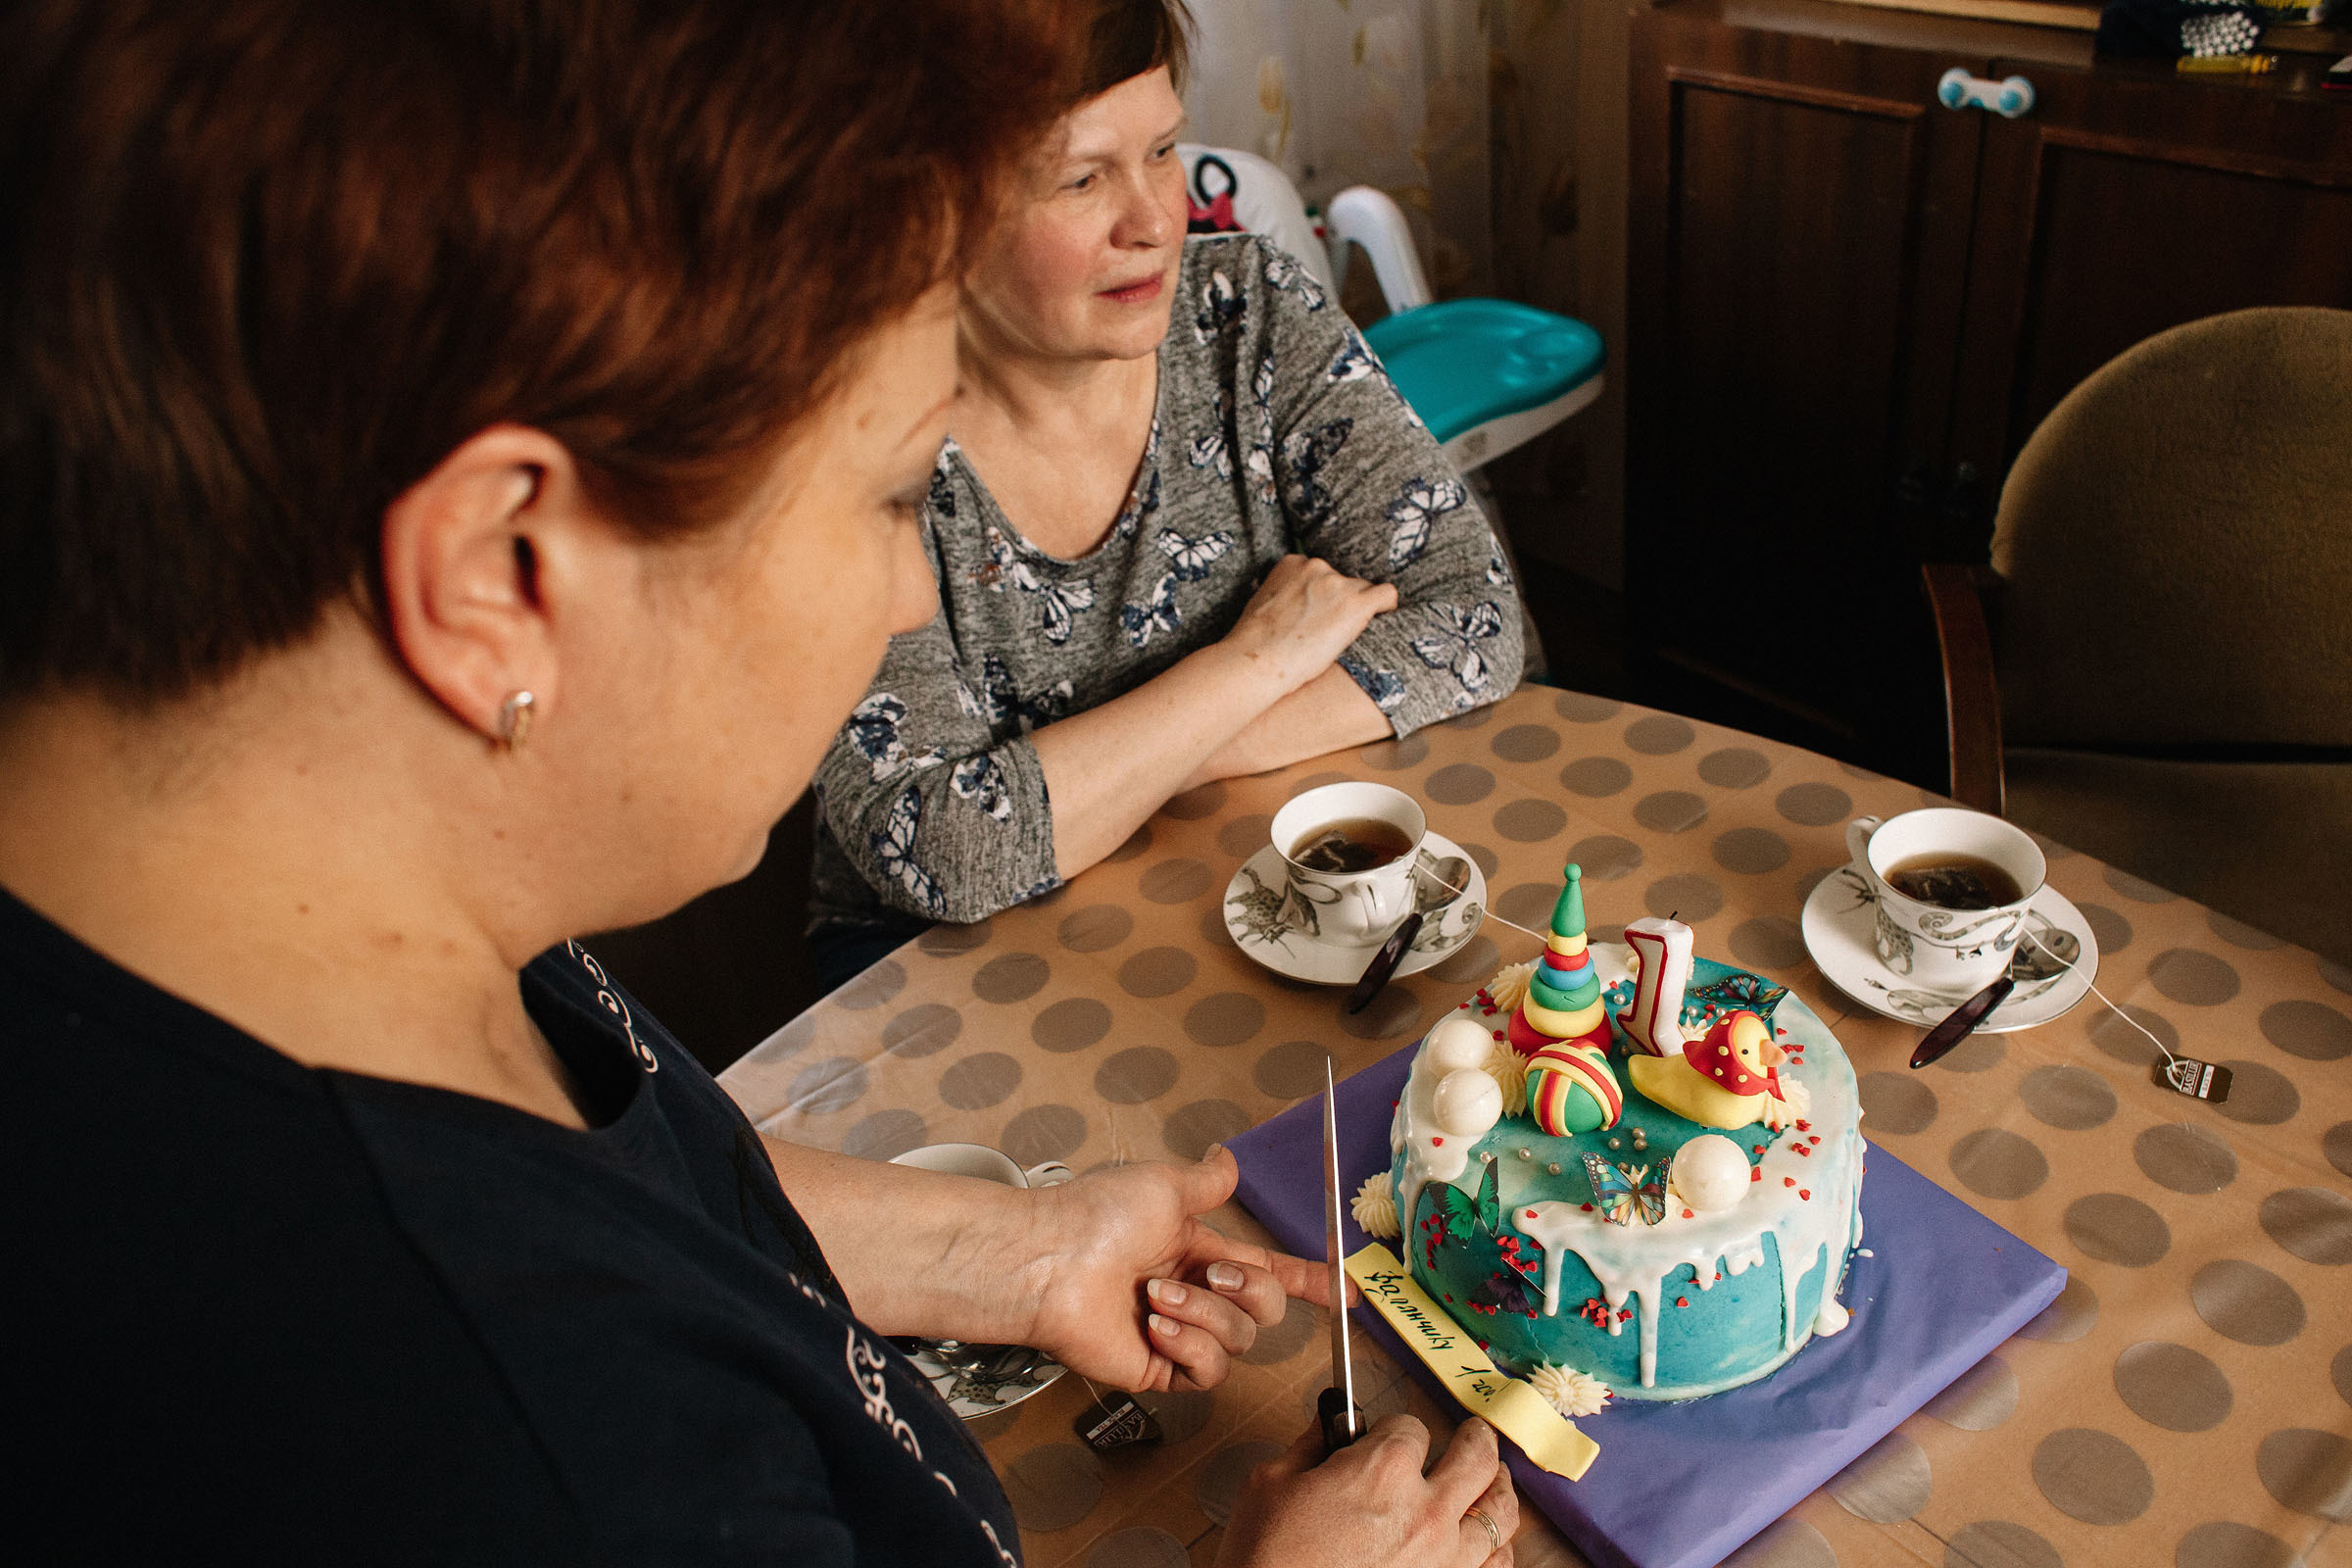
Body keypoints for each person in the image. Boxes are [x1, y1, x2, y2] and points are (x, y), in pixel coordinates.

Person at [2, 1, 1520, 1564]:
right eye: (881, 497)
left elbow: (633, 1167)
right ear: (494, 575)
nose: (908, 602)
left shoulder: (330, 926)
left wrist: (1001, 1247)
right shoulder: (571, 1459)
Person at [808, 0, 1525, 980]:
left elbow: (1476, 619)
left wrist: (1101, 777)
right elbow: (945, 852)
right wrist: (1255, 664)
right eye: (1081, 177)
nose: (1153, 220)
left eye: (1162, 151)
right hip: (939, 967)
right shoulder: (846, 419)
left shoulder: (1246, 310)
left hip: (1233, 872)